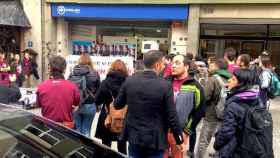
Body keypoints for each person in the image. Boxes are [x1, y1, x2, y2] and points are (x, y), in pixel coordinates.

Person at [113, 50, 186, 158]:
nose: (164, 67)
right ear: (157, 65)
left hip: (134, 136)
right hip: (155, 139)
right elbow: (172, 116)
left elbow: (117, 105)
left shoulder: (130, 81)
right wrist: (179, 140)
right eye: (163, 64)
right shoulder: (165, 86)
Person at [213, 69, 264, 158]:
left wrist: (217, 144)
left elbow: (227, 131)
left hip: (233, 151)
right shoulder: (258, 100)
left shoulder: (233, 105)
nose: (229, 80)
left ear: (241, 84)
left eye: (233, 79)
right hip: (250, 148)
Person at [167, 55, 206, 158]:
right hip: (161, 131)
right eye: (172, 63)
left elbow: (199, 111)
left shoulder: (195, 86)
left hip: (180, 132)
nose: (173, 66)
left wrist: (187, 131)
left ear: (186, 67)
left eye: (177, 63)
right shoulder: (165, 82)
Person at [196, 58, 232, 158]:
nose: (209, 67)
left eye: (211, 65)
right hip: (226, 114)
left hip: (211, 114)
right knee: (220, 139)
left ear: (217, 66)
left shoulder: (213, 79)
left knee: (204, 140)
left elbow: (205, 97)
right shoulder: (232, 78)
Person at [95, 59, 128, 154]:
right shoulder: (128, 82)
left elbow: (97, 100)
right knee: (122, 146)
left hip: (107, 117)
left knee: (106, 145)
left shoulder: (106, 82)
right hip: (123, 117)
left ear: (112, 68)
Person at [36, 56, 80, 128]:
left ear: (50, 69)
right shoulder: (72, 87)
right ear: (64, 69)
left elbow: (39, 105)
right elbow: (76, 105)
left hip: (47, 127)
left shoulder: (41, 86)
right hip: (66, 128)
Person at [69, 53, 100, 137]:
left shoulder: (73, 72)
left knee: (77, 130)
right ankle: (86, 149)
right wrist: (96, 104)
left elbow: (69, 88)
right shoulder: (95, 73)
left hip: (76, 105)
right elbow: (98, 90)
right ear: (90, 61)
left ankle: (77, 149)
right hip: (90, 104)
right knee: (86, 130)